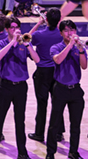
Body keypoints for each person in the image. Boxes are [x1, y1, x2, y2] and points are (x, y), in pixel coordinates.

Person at [0, 17, 40, 159]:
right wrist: (12, 42)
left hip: (21, 88)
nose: (15, 29)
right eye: (12, 27)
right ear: (6, 29)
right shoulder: (1, 43)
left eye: (17, 26)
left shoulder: (24, 43)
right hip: (5, 86)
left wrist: (28, 45)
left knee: (20, 120)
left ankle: (22, 153)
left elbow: (37, 60)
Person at [45, 19, 88, 159]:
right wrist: (70, 45)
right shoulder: (56, 47)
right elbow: (57, 60)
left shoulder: (80, 47)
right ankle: (50, 153)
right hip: (60, 89)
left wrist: (81, 50)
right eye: (66, 30)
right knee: (54, 123)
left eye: (72, 30)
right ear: (61, 33)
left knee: (76, 124)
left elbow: (84, 66)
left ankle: (74, 152)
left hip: (75, 90)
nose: (70, 33)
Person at [27, 9, 63, 142]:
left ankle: (39, 133)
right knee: (58, 102)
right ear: (59, 20)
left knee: (42, 104)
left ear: (46, 20)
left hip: (42, 73)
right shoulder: (62, 34)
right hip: (57, 72)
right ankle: (58, 133)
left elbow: (26, 39)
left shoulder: (39, 34)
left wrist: (37, 24)